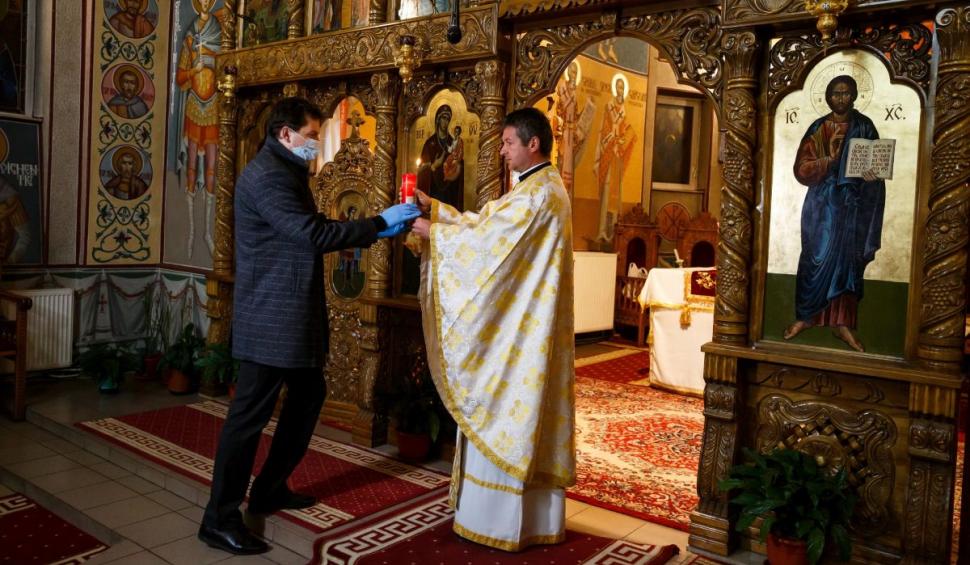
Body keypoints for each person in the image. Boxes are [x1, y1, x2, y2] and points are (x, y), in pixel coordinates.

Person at [197, 97, 420, 556]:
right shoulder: (268, 176)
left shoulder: (287, 170)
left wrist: (376, 227)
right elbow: (311, 234)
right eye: (312, 135)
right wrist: (379, 223)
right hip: (271, 320)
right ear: (286, 134)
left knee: (307, 397)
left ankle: (269, 489)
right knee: (247, 420)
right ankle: (218, 518)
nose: (317, 144)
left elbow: (311, 225)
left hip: (287, 316)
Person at [410, 107, 575, 551]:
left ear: (532, 144)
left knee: (498, 403)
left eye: (507, 142)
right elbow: (486, 224)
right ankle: (526, 521)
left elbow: (488, 246)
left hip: (517, 332)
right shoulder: (538, 188)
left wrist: (433, 233)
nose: (502, 151)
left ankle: (499, 523)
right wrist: (437, 211)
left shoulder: (538, 195)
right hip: (524, 323)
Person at [783, 75, 885, 353]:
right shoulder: (818, 128)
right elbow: (802, 169)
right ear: (828, 97)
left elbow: (877, 164)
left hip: (851, 206)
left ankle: (842, 324)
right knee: (814, 258)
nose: (841, 98)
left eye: (846, 93)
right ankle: (806, 317)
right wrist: (829, 161)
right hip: (821, 205)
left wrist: (872, 176)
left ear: (854, 96)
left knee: (846, 263)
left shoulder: (864, 126)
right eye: (836, 93)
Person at [174, 0, 226, 258]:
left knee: (213, 168)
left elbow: (227, 69)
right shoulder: (190, 36)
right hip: (195, 105)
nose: (205, 2)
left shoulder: (222, 33)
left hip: (214, 104)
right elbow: (180, 78)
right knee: (192, 167)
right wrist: (193, 70)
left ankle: (208, 232)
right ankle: (192, 231)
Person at [593, 74, 636, 242]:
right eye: (618, 86)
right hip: (609, 153)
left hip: (618, 154)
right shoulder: (609, 107)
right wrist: (613, 140)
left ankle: (612, 232)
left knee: (616, 193)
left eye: (622, 87)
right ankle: (602, 231)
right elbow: (604, 129)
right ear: (614, 89)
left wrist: (625, 139)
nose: (620, 89)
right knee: (606, 190)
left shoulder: (624, 110)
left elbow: (626, 130)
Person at [417, 104, 463, 211]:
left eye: (448, 119)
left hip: (449, 194)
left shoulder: (453, 142)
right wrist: (433, 166)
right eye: (443, 118)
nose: (445, 122)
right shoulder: (429, 143)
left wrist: (457, 166)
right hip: (433, 193)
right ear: (438, 119)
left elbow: (459, 165)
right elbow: (421, 171)